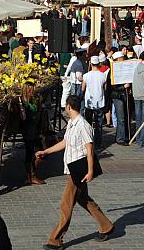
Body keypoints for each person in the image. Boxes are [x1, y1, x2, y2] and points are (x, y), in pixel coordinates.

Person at [37, 94, 114, 249]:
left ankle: (55, 239)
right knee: (83, 199)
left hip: (79, 171)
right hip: (72, 169)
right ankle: (106, 226)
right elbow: (65, 143)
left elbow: (89, 149)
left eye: (65, 106)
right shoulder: (72, 124)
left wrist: (91, 171)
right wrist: (46, 152)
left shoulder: (83, 125)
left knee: (66, 205)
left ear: (69, 107)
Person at [18, 81, 45, 186]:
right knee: (31, 152)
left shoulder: (33, 100)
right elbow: (23, 116)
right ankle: (31, 176)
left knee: (35, 151)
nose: (35, 91)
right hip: (29, 130)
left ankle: (31, 175)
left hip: (33, 129)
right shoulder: (23, 102)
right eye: (33, 89)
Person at [82, 56, 107, 150]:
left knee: (88, 124)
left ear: (91, 64)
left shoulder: (86, 75)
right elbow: (105, 88)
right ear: (99, 64)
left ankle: (89, 142)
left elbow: (83, 88)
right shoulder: (103, 75)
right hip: (100, 101)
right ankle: (98, 143)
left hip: (89, 103)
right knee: (98, 124)